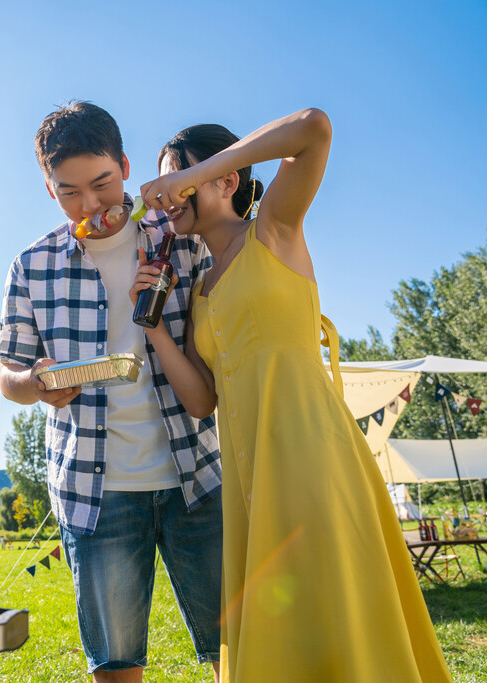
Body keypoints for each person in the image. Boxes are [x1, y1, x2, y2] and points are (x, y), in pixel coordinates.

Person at [135, 109, 452, 681]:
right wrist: (156, 329)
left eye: (179, 181)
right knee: (282, 622)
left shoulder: (274, 228)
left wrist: (200, 167)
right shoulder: (200, 291)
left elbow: (314, 129)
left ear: (226, 180)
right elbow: (202, 401)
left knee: (335, 600)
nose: (167, 199)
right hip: (250, 476)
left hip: (313, 452)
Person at [0, 101, 222, 682]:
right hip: (95, 489)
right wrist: (36, 385)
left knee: (234, 651)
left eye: (103, 184)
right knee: (116, 668)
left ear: (125, 165)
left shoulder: (181, 241)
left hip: (197, 471)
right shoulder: (32, 265)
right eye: (70, 192)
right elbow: (8, 377)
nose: (92, 206)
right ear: (49, 190)